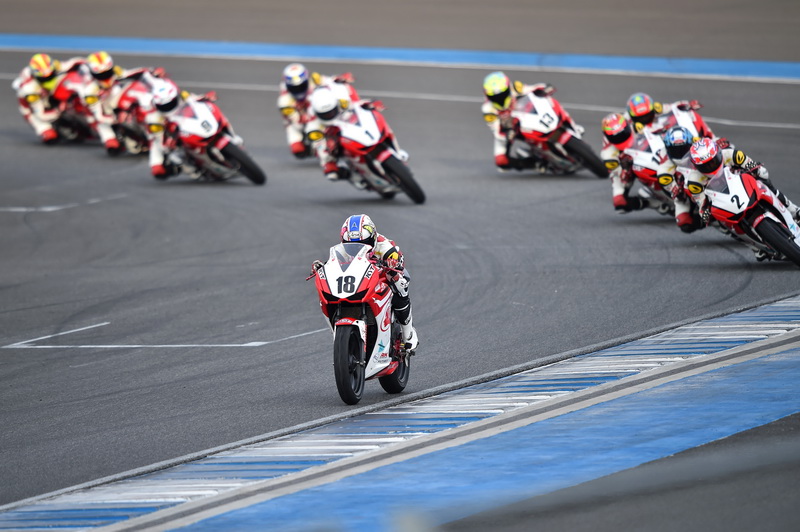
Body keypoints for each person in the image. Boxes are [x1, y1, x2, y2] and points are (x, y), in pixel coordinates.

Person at [316, 214, 418, 351]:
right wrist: (323, 267)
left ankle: (408, 334)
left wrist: (393, 264)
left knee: (400, 283)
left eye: (365, 242)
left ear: (373, 238)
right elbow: (334, 263)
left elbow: (399, 261)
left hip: (381, 274)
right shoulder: (342, 248)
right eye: (351, 244)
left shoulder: (384, 246)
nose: (356, 247)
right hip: (359, 278)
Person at [12, 52, 121, 154]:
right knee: (48, 134)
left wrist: (91, 66)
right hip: (37, 101)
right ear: (36, 76)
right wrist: (59, 110)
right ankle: (44, 129)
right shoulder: (29, 89)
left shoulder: (56, 66)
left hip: (54, 92)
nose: (49, 79)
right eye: (45, 78)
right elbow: (41, 114)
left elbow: (76, 62)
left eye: (51, 75)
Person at [87, 51, 172, 177]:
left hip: (126, 105)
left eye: (107, 72)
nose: (106, 76)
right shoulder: (90, 91)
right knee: (100, 123)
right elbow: (98, 116)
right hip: (110, 115)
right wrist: (115, 119)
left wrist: (152, 72)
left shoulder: (117, 74)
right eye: (101, 74)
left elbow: (136, 73)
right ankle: (110, 140)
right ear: (93, 74)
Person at [481, 71, 582, 172]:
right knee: (501, 161)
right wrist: (507, 133)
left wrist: (544, 88)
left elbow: (532, 89)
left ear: (508, 87)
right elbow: (497, 131)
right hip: (509, 130)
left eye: (502, 94)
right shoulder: (488, 110)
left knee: (551, 104)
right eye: (494, 97)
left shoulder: (515, 87)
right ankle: (535, 163)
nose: (499, 99)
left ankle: (571, 125)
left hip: (525, 115)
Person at [307, 86, 407, 187]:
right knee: (331, 170)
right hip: (338, 142)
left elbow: (356, 105)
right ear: (316, 113)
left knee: (379, 123)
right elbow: (317, 143)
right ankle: (354, 177)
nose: (329, 115)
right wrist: (328, 160)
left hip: (352, 131)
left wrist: (370, 104)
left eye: (331, 112)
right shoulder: (314, 124)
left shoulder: (343, 103)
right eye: (325, 114)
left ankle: (397, 151)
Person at [686, 137, 800, 225]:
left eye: (713, 161)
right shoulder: (694, 181)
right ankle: (746, 240)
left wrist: (754, 169)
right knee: (715, 220)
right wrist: (705, 213)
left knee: (763, 179)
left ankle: (793, 210)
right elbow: (701, 204)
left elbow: (754, 166)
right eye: (705, 166)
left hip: (742, 183)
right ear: (696, 167)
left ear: (718, 153)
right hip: (722, 200)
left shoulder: (730, 154)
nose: (711, 166)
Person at [277, 63, 359, 159]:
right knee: (298, 150)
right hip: (299, 120)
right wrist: (308, 118)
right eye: (294, 88)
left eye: (301, 86)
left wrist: (339, 79)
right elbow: (298, 124)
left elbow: (330, 82)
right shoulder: (284, 102)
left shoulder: (315, 80)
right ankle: (321, 151)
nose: (298, 89)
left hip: (318, 109)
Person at [625, 92, 715, 138]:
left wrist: (687, 104)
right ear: (632, 117)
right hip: (646, 150)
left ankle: (711, 138)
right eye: (641, 117)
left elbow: (674, 106)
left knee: (691, 115)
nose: (645, 119)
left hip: (665, 137)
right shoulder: (626, 123)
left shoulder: (658, 109)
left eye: (647, 115)